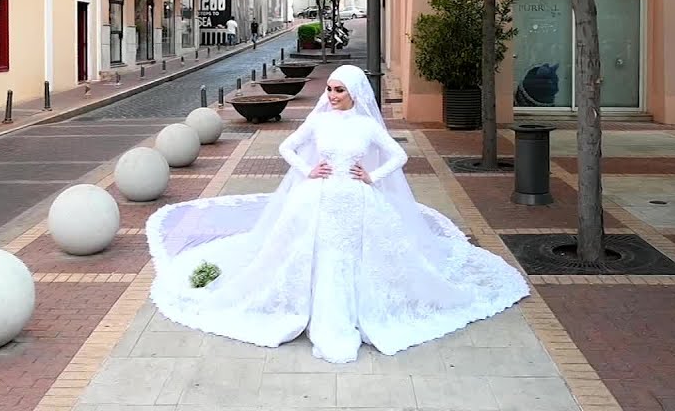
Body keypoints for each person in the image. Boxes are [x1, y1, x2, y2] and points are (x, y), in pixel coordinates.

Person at [145, 64, 530, 363]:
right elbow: (287, 148)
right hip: (318, 197)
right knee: (312, 252)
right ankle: (312, 311)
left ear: (354, 92)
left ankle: (359, 312)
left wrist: (373, 176)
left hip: (358, 200)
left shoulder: (366, 125)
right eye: (329, 89)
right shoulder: (319, 120)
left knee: (356, 255)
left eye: (339, 90)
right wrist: (307, 169)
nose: (331, 95)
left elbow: (398, 155)